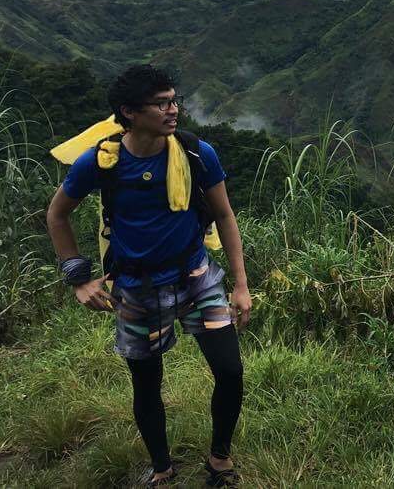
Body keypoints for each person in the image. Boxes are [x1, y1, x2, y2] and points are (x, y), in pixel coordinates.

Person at [46, 64, 251, 487]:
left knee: (230, 370)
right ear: (130, 112)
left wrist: (241, 284)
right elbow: (57, 214)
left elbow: (225, 215)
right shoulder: (102, 162)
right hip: (137, 286)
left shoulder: (196, 153)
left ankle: (219, 461)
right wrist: (78, 277)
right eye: (161, 104)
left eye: (175, 100)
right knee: (147, 383)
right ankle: (162, 468)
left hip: (196, 275)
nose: (173, 110)